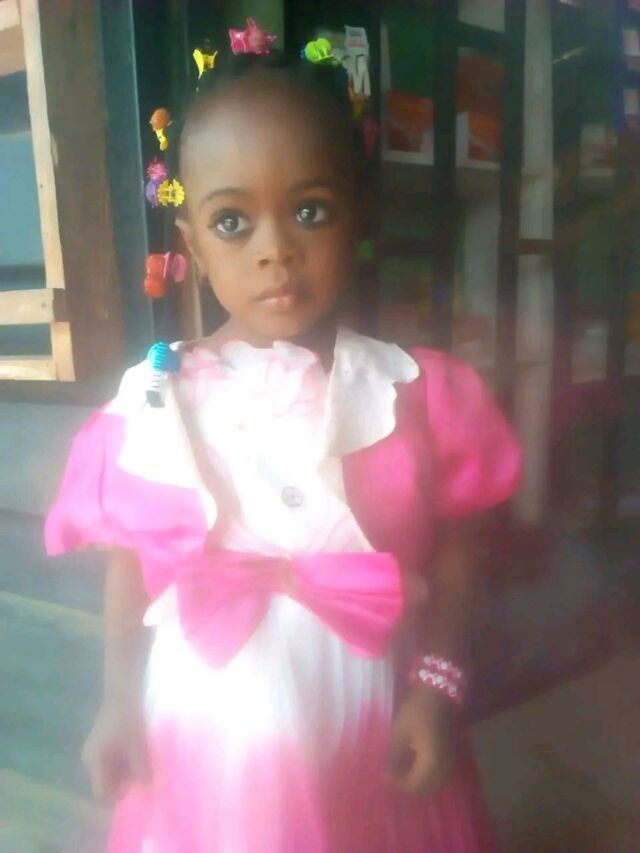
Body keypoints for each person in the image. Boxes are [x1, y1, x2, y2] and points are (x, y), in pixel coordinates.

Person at [45, 47, 521, 853]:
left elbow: (462, 544)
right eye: (233, 222)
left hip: (369, 723)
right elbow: (132, 559)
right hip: (204, 733)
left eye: (310, 211)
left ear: (359, 214)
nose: (275, 250)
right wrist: (120, 699)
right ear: (193, 243)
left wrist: (437, 685)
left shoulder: (413, 394)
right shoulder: (155, 402)